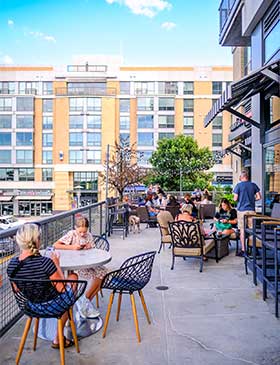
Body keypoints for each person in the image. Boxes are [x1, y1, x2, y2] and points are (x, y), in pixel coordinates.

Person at [7, 223, 76, 349]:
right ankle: (58, 337)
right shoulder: (46, 263)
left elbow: (16, 289)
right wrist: (57, 265)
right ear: (37, 241)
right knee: (72, 286)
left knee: (70, 283)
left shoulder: (12, 265)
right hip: (52, 306)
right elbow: (62, 289)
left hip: (31, 306)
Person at [54, 216, 108, 317]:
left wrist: (89, 247)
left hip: (87, 262)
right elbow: (56, 245)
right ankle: (85, 304)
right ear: (75, 228)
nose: (83, 234)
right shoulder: (72, 234)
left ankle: (85, 302)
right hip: (75, 265)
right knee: (99, 275)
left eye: (85, 231)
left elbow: (94, 250)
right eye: (80, 232)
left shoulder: (89, 235)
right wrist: (72, 247)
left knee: (104, 273)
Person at [233, 170, 261, 256]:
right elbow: (259, 197)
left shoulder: (238, 185)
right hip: (251, 210)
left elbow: (235, 199)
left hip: (242, 211)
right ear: (247, 177)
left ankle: (243, 250)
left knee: (242, 230)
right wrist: (252, 200)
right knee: (252, 230)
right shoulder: (253, 185)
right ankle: (254, 249)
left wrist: (240, 200)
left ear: (241, 177)